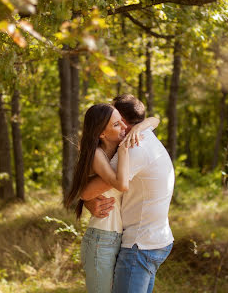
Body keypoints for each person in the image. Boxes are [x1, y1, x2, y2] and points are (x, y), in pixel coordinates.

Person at [83, 94, 174, 293]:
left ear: (124, 122)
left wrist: (86, 199)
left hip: (140, 244)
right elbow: (87, 190)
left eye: (117, 119)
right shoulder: (146, 137)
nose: (120, 126)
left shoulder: (133, 148)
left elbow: (88, 191)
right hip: (152, 239)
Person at [64, 103, 159, 293]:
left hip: (119, 238)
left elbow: (154, 120)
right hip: (102, 239)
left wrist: (139, 127)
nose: (125, 127)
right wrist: (124, 149)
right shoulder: (98, 155)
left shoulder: (113, 153)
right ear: (102, 134)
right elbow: (121, 184)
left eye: (123, 122)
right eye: (117, 125)